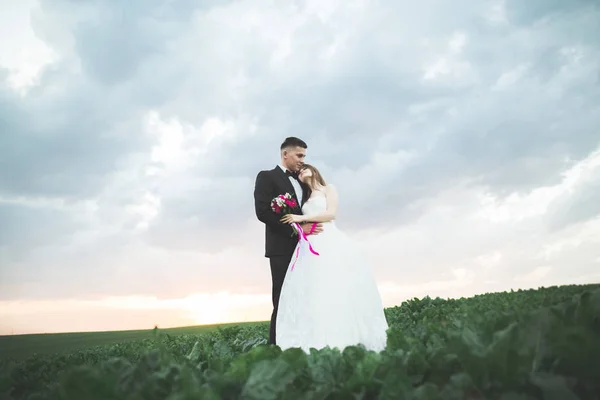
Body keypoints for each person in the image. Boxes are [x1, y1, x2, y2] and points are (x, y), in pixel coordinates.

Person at [276, 163, 389, 352]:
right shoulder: (305, 198)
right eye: (299, 171)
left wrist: (299, 218)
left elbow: (331, 214)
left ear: (314, 170)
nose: (302, 172)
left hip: (330, 240)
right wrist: (298, 222)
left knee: (336, 283)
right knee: (313, 288)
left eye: (305, 168)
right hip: (310, 244)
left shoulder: (329, 189)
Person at [253, 137, 324, 345]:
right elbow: (263, 212)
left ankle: (302, 345)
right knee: (283, 300)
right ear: (285, 154)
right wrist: (296, 230)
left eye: (304, 156)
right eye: (299, 155)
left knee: (306, 298)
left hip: (307, 249)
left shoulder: (303, 180)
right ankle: (275, 348)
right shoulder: (267, 177)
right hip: (282, 249)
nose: (303, 160)